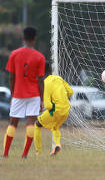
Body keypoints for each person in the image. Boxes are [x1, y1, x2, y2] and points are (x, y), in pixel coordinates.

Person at [3, 27, 46, 158]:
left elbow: (11, 77)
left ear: (23, 38)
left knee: (13, 123)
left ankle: (5, 154)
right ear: (35, 38)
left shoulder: (14, 54)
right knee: (30, 123)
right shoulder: (40, 57)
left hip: (18, 94)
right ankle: (24, 155)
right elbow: (40, 80)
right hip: (34, 95)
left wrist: (12, 94)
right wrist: (42, 99)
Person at [34, 69, 73, 156]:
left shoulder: (45, 83)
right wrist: (61, 98)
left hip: (56, 110)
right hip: (66, 109)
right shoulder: (59, 78)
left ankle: (38, 152)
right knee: (55, 127)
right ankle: (57, 145)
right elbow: (70, 91)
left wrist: (53, 105)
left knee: (37, 124)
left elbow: (48, 105)